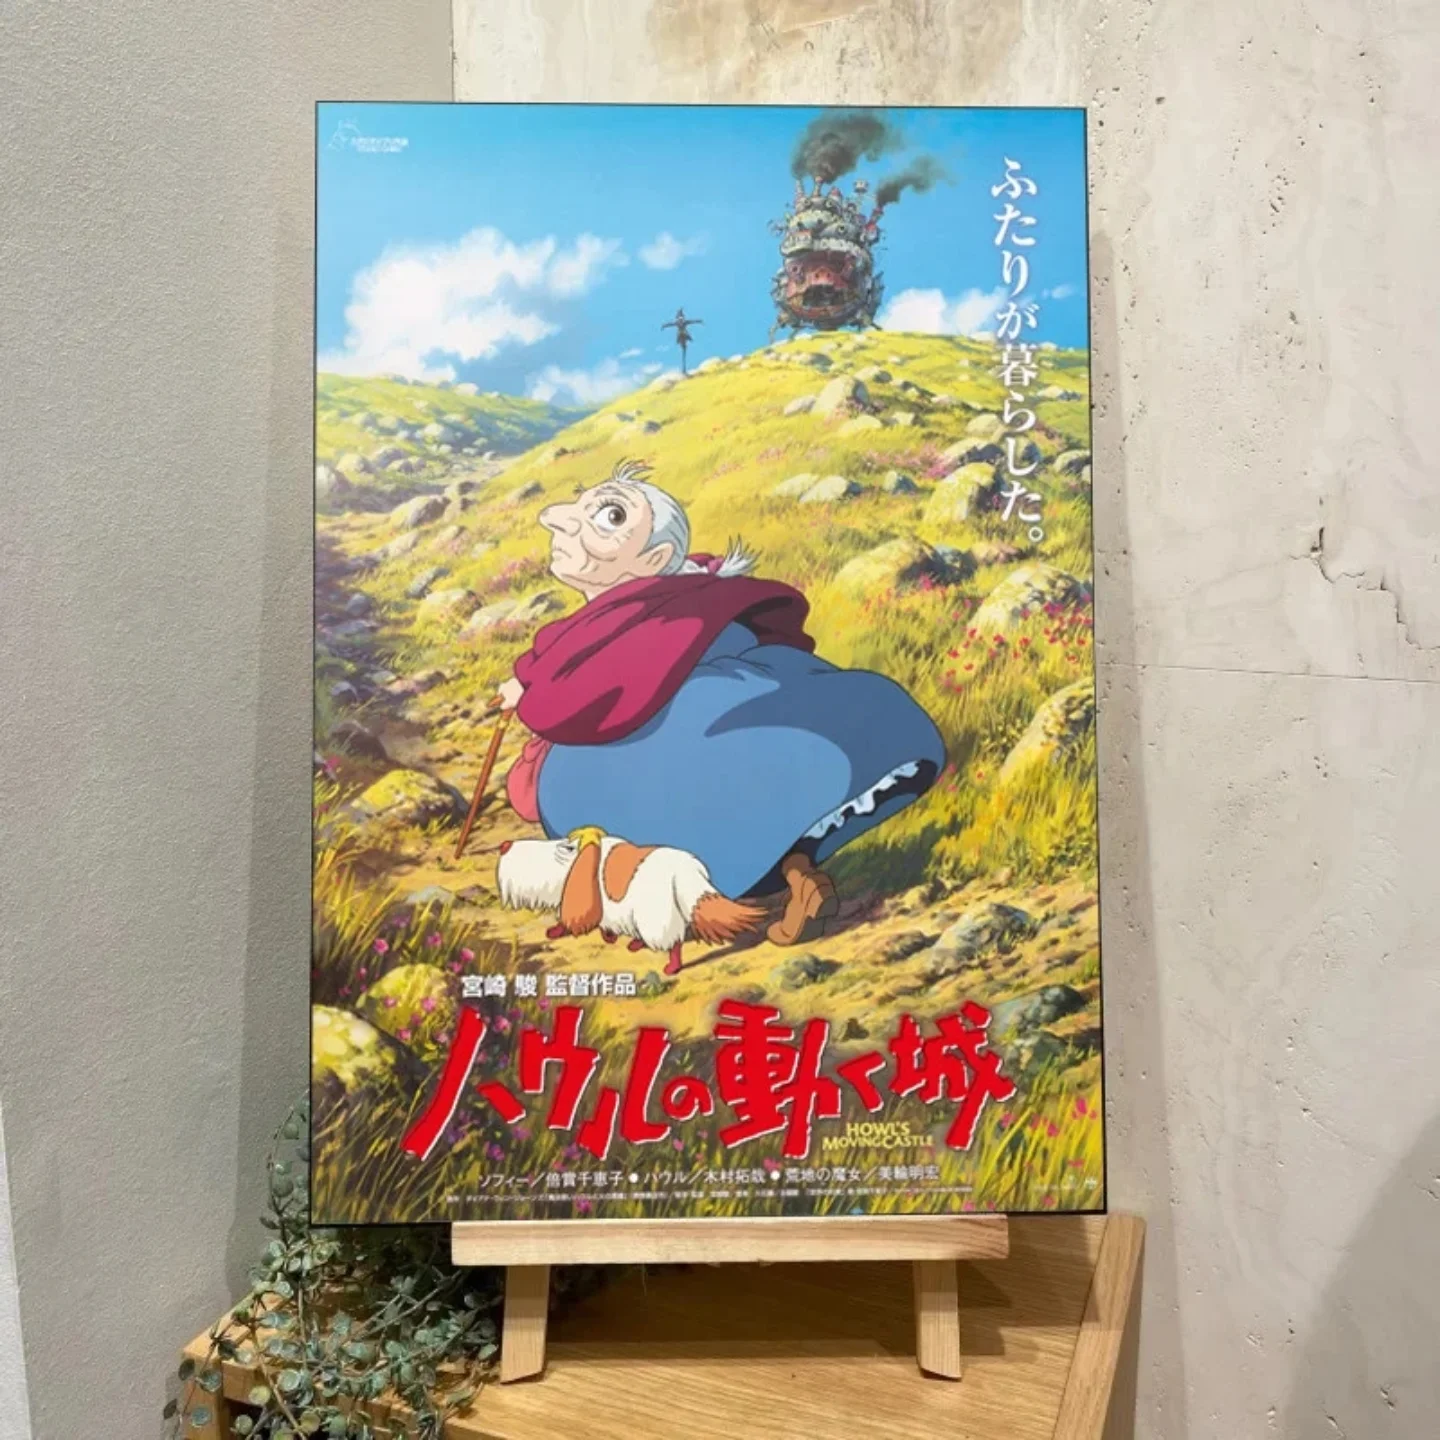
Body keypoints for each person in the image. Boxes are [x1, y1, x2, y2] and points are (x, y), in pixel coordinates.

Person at [498, 459, 945, 950]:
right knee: (755, 815)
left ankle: (701, 896)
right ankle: (795, 873)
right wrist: (528, 687)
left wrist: (530, 695)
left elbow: (585, 694)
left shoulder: (649, 615)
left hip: (680, 746)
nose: (560, 521)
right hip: (737, 727)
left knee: (587, 791)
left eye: (609, 517)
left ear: (654, 558)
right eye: (579, 507)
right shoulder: (673, 602)